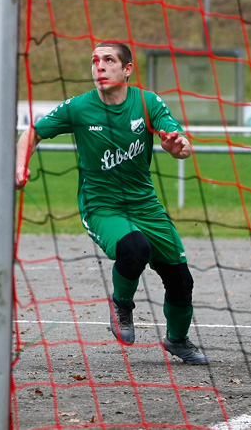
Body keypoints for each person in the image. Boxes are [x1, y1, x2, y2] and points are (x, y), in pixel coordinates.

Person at [15, 41, 209, 365]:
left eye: (108, 60)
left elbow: (182, 144)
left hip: (146, 206)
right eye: (95, 61)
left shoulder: (147, 102)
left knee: (181, 281)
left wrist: (177, 148)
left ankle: (177, 340)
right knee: (135, 248)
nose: (100, 66)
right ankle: (121, 304)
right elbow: (31, 134)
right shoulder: (79, 107)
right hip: (102, 207)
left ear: (127, 69)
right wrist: (20, 165)